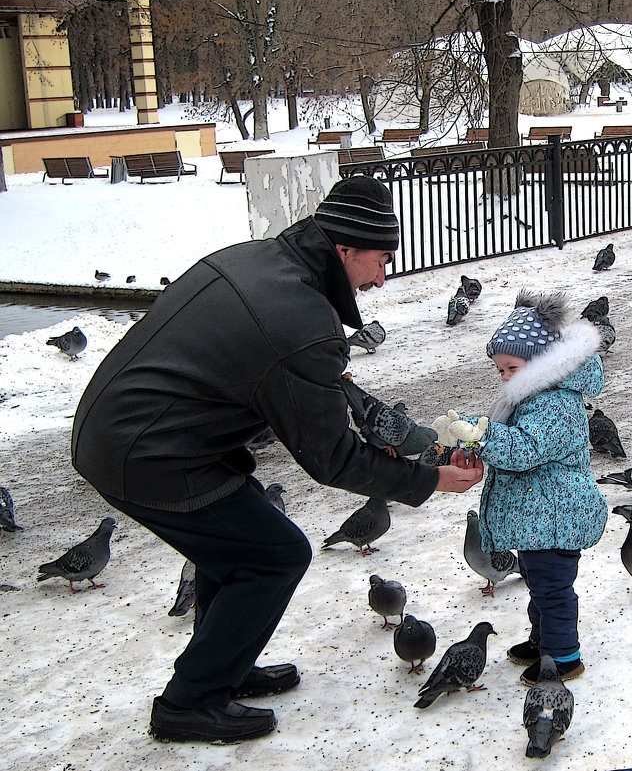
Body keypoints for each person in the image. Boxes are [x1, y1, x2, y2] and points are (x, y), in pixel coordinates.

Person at [70, 175, 483, 743]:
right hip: (147, 451)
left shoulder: (261, 258)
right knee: (273, 555)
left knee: (235, 550)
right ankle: (190, 702)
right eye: (380, 260)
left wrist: (318, 385)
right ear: (344, 251)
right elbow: (330, 460)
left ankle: (223, 670)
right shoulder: (301, 320)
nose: (382, 277)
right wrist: (428, 479)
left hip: (128, 428)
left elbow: (249, 362)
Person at [438, 289, 607, 686]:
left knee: (552, 589)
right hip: (540, 518)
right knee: (538, 584)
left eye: (511, 367)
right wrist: (470, 435)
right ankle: (543, 639)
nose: (505, 377)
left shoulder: (556, 403)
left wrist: (481, 433)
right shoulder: (532, 399)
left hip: (556, 518)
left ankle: (563, 655)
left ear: (540, 363)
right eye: (500, 370)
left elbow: (525, 449)